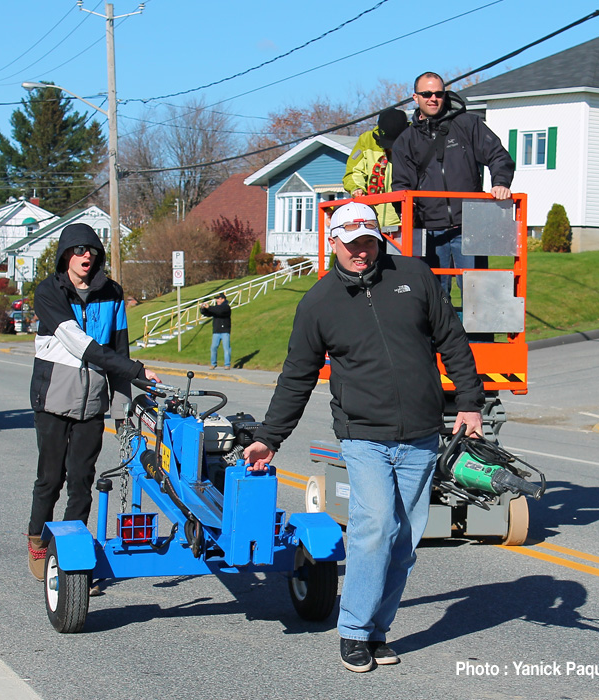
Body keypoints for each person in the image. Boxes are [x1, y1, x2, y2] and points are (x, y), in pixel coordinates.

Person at [242, 201, 484, 673]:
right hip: (363, 435)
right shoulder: (319, 303)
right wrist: (270, 436)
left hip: (420, 434)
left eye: (369, 242)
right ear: (333, 242)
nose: (361, 252)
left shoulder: (413, 276)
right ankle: (352, 631)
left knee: (404, 540)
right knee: (375, 528)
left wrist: (469, 402)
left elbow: (451, 338)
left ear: (379, 239)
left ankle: (376, 630)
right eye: (351, 244)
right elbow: (297, 376)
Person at [26, 223, 160, 581]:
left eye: (92, 250)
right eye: (79, 250)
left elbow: (118, 348)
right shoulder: (49, 292)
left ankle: (70, 558)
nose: (87, 256)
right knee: (50, 478)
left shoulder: (111, 293)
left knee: (82, 480)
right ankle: (37, 541)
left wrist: (122, 410)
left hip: (92, 403)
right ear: (65, 254)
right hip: (53, 398)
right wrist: (136, 371)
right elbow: (78, 343)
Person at [391, 72, 514, 297]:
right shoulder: (406, 141)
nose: (433, 99)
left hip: (471, 225)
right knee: (435, 298)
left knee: (478, 296)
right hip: (430, 230)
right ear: (415, 97)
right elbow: (401, 186)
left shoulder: (467, 124)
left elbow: (498, 155)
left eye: (438, 94)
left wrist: (501, 182)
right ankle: (442, 334)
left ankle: (476, 335)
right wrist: (406, 215)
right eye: (426, 94)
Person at [343, 108, 409, 230]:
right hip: (370, 222)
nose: (391, 149)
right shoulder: (366, 140)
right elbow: (353, 171)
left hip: (403, 220)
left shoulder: (415, 139)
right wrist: (356, 188)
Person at [200, 291, 232, 370]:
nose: (217, 300)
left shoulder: (226, 307)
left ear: (223, 299)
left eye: (219, 299)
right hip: (216, 331)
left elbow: (220, 311)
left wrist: (209, 307)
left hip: (225, 331)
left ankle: (227, 364)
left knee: (226, 348)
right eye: (217, 299)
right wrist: (203, 309)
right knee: (213, 348)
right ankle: (213, 363)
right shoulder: (215, 308)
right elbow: (208, 313)